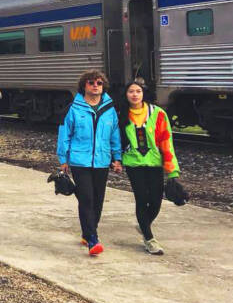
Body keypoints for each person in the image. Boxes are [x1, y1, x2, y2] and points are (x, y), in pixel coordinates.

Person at [57, 70, 122, 256]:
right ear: (84, 86)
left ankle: (88, 232)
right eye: (91, 82)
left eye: (99, 83)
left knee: (98, 200)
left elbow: (114, 135)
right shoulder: (73, 108)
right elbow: (64, 134)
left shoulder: (109, 109)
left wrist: (117, 158)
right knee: (86, 197)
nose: (95, 86)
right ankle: (93, 239)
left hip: (102, 161)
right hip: (80, 161)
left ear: (103, 86)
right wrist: (63, 159)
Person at [116, 79, 180, 255]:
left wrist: (172, 170)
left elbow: (166, 141)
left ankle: (144, 224)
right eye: (131, 91)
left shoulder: (158, 113)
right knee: (141, 198)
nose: (135, 94)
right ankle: (149, 238)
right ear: (126, 95)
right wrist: (116, 159)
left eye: (138, 91)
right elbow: (114, 140)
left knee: (156, 200)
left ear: (143, 93)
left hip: (154, 162)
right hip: (133, 163)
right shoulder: (120, 115)